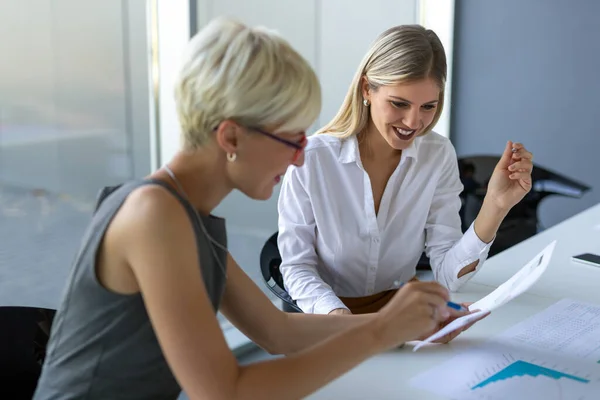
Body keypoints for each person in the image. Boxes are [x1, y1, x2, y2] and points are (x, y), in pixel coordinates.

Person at [33, 18, 463, 400]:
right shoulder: (153, 217)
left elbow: (277, 332)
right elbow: (225, 392)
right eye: (291, 139)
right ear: (232, 138)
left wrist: (402, 327)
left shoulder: (187, 217)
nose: (300, 157)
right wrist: (380, 331)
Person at [277, 24, 533, 318]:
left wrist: (495, 206)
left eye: (428, 106)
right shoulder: (312, 160)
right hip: (331, 315)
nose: (413, 121)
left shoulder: (437, 155)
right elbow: (297, 268)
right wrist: (341, 320)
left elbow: (450, 277)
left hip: (403, 312)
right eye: (399, 103)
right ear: (367, 89)